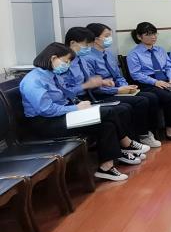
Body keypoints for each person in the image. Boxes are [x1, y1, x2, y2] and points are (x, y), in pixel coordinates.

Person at [21, 42, 142, 181]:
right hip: (46, 123)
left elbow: (67, 92)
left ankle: (106, 167)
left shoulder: (52, 74)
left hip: (63, 114)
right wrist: (76, 108)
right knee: (109, 112)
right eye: (66, 61)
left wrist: (84, 92)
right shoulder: (33, 80)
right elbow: (47, 110)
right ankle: (126, 143)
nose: (67, 65)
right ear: (53, 58)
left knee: (106, 124)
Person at [60, 27, 151, 159]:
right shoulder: (64, 65)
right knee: (119, 110)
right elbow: (65, 91)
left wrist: (102, 82)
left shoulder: (81, 60)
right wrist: (87, 85)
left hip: (88, 98)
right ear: (73, 43)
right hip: (78, 102)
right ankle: (126, 146)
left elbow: (91, 81)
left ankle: (127, 148)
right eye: (86, 45)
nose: (89, 48)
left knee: (125, 108)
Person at [84, 22, 163, 149]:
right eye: (106, 36)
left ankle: (148, 132)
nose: (110, 39)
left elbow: (118, 76)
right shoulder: (87, 58)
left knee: (152, 97)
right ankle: (139, 136)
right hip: (103, 94)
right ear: (96, 39)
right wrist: (118, 90)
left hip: (118, 89)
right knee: (141, 101)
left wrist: (126, 87)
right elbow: (94, 86)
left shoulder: (108, 54)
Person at [126, 21, 171, 141]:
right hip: (147, 83)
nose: (153, 37)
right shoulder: (134, 54)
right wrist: (155, 82)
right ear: (139, 36)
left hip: (165, 80)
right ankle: (170, 128)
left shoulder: (160, 50)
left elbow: (169, 66)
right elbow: (136, 74)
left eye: (155, 33)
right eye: (149, 34)